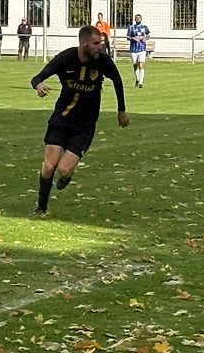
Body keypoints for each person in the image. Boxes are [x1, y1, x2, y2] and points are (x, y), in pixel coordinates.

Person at [30, 25, 129, 217]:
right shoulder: (65, 59)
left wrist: (121, 110)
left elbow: (117, 80)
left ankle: (67, 174)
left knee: (63, 170)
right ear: (83, 43)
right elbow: (37, 77)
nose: (100, 47)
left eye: (101, 43)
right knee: (49, 165)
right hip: (62, 118)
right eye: (96, 43)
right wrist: (39, 85)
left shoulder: (103, 61)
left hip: (84, 125)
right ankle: (41, 207)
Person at [125, 14, 150, 88]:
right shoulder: (131, 27)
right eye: (136, 18)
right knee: (135, 65)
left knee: (141, 65)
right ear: (135, 19)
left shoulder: (144, 27)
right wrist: (133, 38)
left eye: (139, 18)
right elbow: (127, 37)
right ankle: (137, 79)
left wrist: (145, 39)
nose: (138, 19)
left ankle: (141, 83)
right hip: (133, 49)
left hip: (142, 49)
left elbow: (148, 35)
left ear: (141, 19)